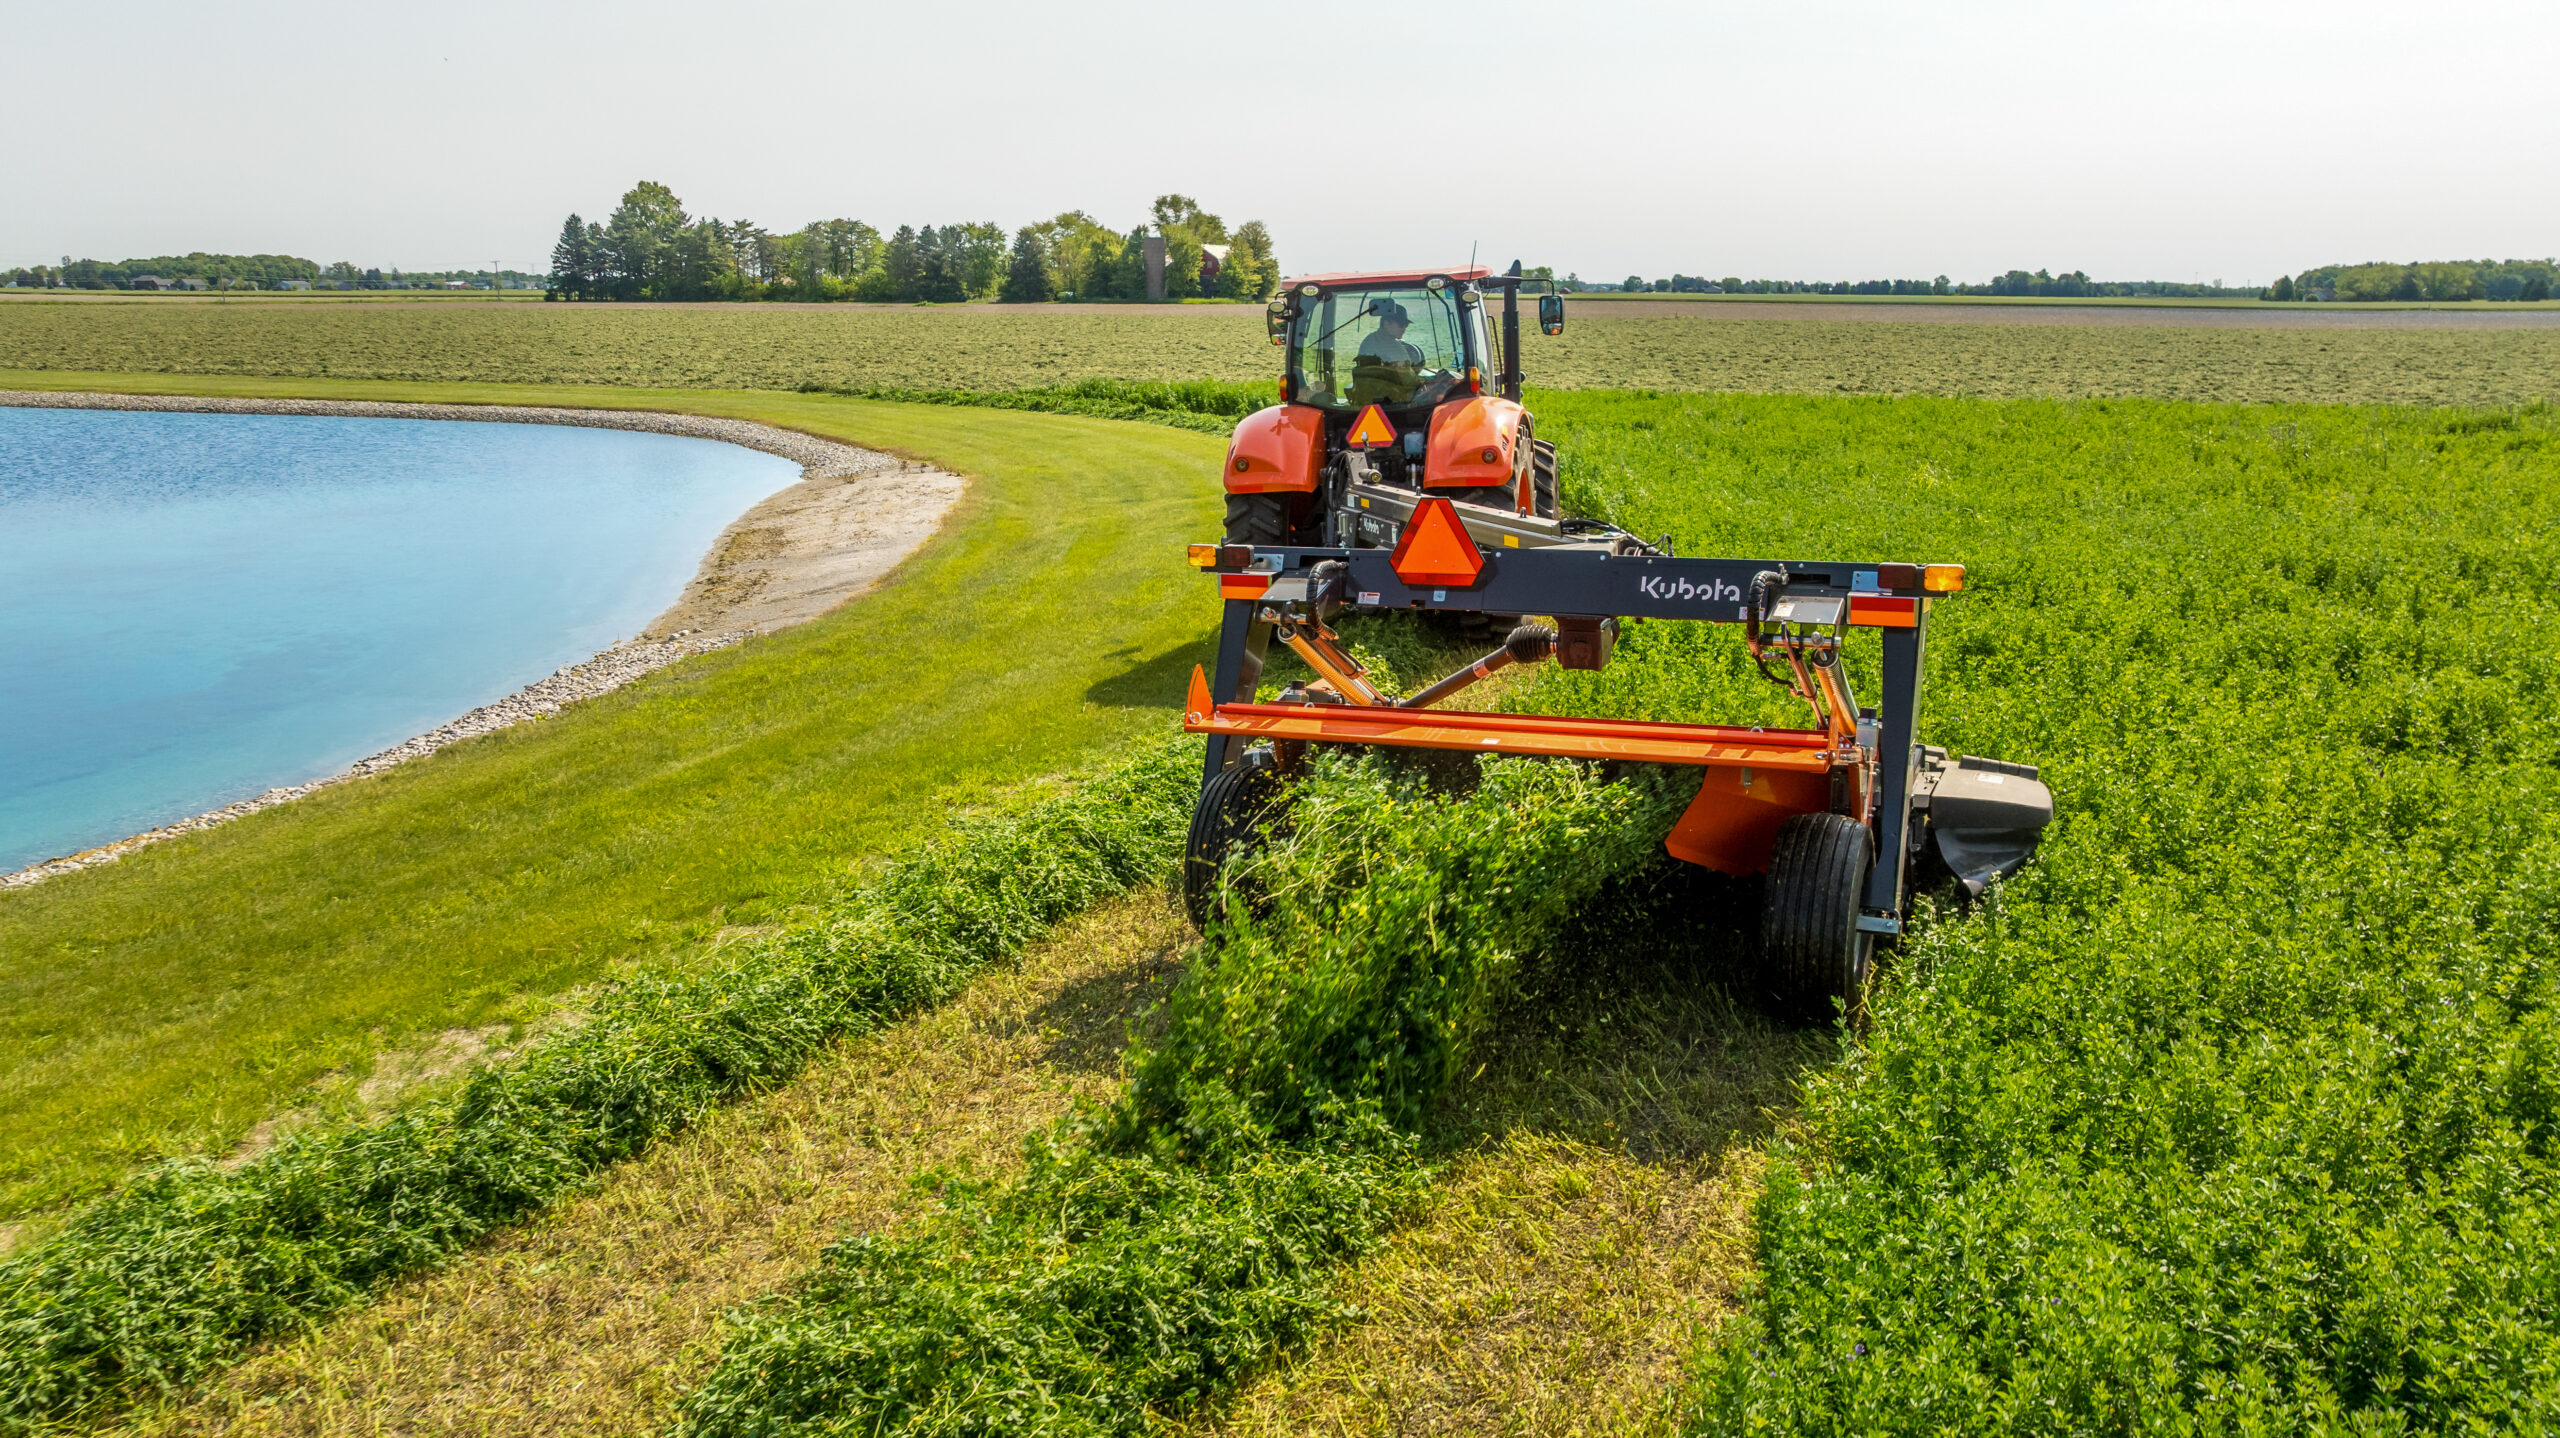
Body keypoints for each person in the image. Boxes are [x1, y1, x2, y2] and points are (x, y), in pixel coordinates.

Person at [1348, 299, 1426, 404]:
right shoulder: (1394, 347)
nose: (1404, 328)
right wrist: (1426, 382)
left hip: (1364, 399)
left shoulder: (1369, 340)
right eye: (1401, 324)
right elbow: (1408, 381)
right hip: (1392, 404)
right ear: (1386, 323)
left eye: (1406, 325)